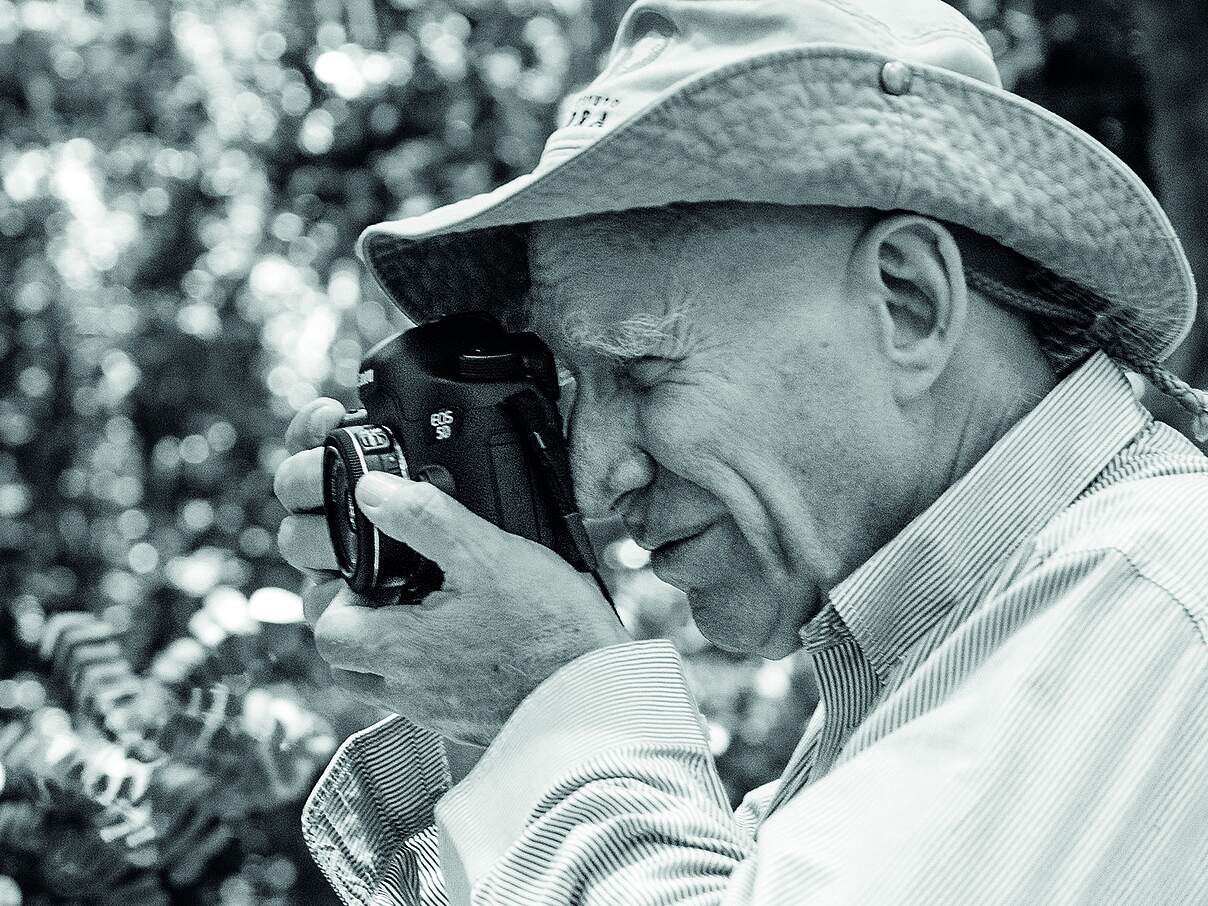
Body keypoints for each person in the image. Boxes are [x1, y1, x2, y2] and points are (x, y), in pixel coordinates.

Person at [273, 0, 1208, 902]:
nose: (595, 477)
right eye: (570, 392)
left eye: (639, 367)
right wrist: (485, 715)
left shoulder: (1163, 585)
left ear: (910, 302)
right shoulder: (935, 674)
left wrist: (549, 698)